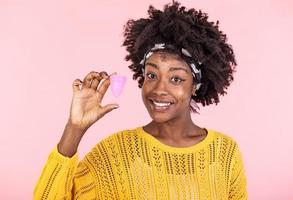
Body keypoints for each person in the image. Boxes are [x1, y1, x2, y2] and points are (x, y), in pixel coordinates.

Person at [34, 1, 247, 199]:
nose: (159, 89)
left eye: (176, 78)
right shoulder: (114, 154)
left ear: (196, 85)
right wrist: (74, 129)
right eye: (152, 75)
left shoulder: (225, 153)